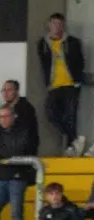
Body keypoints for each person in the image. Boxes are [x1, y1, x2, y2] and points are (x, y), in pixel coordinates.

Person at [38, 13, 86, 154]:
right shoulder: (43, 43)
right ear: (49, 25)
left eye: (60, 24)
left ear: (63, 26)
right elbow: (44, 64)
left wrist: (77, 79)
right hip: (54, 85)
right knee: (51, 113)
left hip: (71, 84)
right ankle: (74, 141)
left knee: (71, 115)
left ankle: (71, 148)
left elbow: (80, 61)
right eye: (54, 24)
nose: (57, 27)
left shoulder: (72, 42)